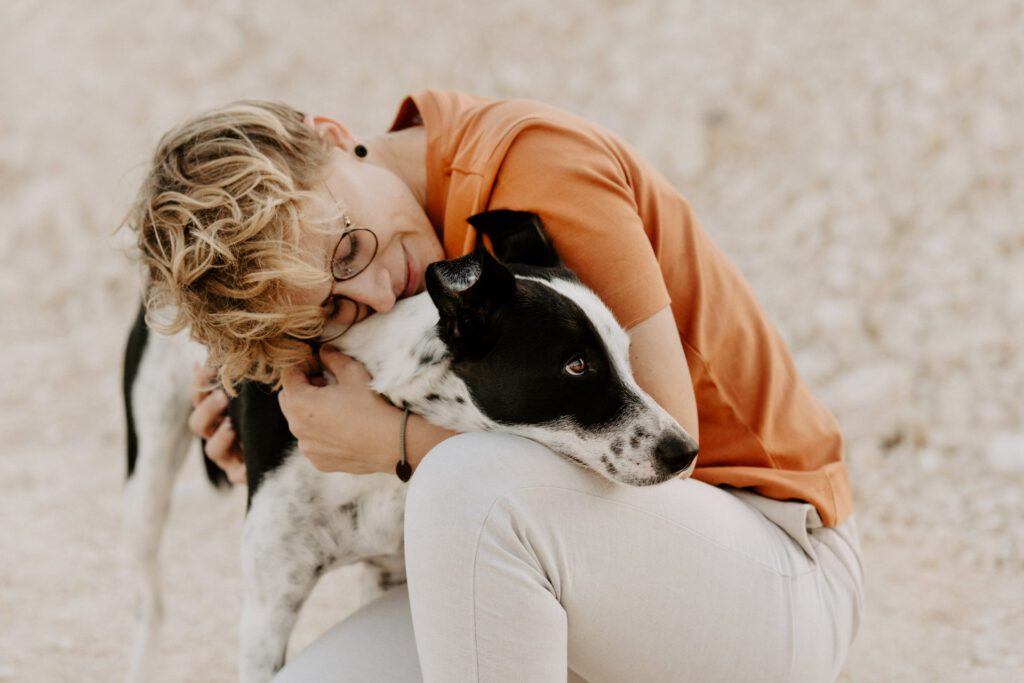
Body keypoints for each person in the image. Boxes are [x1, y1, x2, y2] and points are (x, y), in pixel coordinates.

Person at [128, 90, 864, 682]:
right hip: (571, 594)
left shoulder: (537, 168)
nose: (380, 292)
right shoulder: (400, 242)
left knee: (465, 481)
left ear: (329, 135)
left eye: (349, 248)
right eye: (333, 307)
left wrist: (392, 443)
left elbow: (667, 449)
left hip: (767, 584)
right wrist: (296, 448)